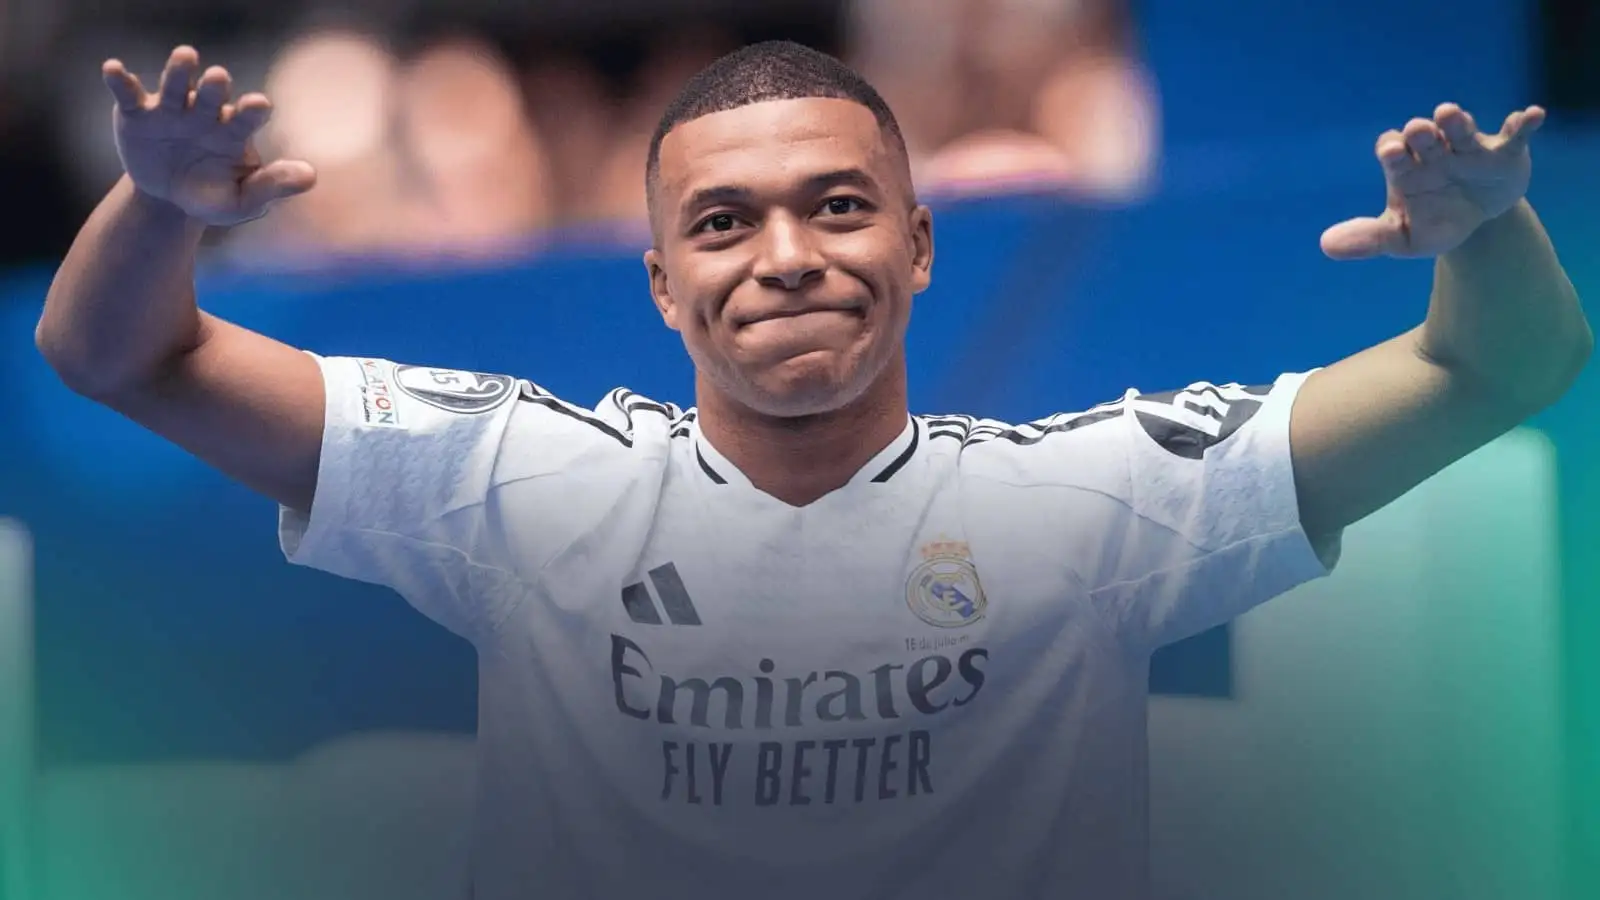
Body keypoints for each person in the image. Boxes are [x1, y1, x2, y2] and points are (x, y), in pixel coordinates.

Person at [35, 39, 1589, 900]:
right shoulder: (511, 481)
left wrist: (1489, 232)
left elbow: (1494, 368)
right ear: (661, 283)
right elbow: (118, 355)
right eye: (724, 225)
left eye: (839, 208)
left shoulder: (1100, 501)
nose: (785, 257)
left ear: (919, 247)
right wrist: (160, 208)